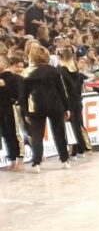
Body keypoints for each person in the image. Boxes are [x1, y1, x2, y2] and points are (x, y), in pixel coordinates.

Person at [20, 44, 71, 173]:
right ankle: (65, 159)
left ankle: (36, 162)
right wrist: (66, 108)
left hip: (36, 106)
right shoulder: (55, 71)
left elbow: (23, 95)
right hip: (55, 105)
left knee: (37, 134)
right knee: (59, 133)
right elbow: (61, 91)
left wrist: (25, 111)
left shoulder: (27, 72)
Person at [58, 47, 89, 158]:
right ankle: (81, 150)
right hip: (77, 100)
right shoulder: (75, 69)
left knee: (70, 126)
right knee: (77, 124)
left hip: (68, 101)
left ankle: (73, 152)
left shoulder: (61, 70)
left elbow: (63, 88)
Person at [0, 55, 24, 170]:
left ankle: (20, 158)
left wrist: (5, 86)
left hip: (11, 108)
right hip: (1, 109)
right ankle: (12, 159)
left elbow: (17, 95)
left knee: (15, 133)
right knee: (6, 134)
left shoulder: (12, 78)